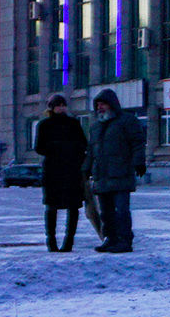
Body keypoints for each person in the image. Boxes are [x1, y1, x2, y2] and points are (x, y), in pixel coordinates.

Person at [84, 89, 146, 253]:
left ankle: (125, 241)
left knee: (121, 211)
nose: (100, 107)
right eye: (97, 105)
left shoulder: (127, 121)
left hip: (121, 173)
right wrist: (86, 169)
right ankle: (110, 238)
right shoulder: (96, 126)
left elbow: (137, 142)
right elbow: (91, 151)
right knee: (106, 213)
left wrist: (139, 161)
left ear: (112, 104)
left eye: (103, 104)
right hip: (102, 176)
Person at [32, 95, 88, 252]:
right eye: (58, 106)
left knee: (73, 206)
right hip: (52, 172)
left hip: (72, 171)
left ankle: (69, 241)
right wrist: (58, 148)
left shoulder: (74, 124)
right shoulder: (44, 125)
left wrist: (73, 152)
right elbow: (39, 147)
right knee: (51, 206)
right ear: (52, 108)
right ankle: (51, 241)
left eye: (63, 105)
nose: (61, 108)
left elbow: (83, 144)